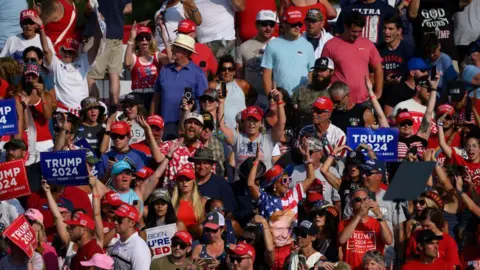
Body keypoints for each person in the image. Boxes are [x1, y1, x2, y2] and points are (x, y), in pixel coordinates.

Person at [35, 12, 102, 111]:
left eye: (70, 52)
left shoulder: (83, 62)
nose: (67, 54)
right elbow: (46, 50)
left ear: (76, 53)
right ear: (61, 51)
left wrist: (99, 27)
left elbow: (95, 47)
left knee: (102, 107)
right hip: (64, 111)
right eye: (65, 51)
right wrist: (41, 28)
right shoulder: (56, 64)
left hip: (84, 110)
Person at [218, 88, 286, 182]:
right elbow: (220, 130)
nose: (252, 123)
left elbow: (281, 124)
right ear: (243, 122)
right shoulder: (237, 139)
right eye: (248, 120)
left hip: (262, 186)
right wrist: (221, 102)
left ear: (261, 122)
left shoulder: (268, 139)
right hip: (241, 187)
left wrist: (280, 103)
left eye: (255, 120)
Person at [152, 34, 208, 140]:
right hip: (164, 125)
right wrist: (152, 120)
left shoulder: (198, 74)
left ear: (186, 52)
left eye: (176, 48)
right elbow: (156, 98)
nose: (172, 50)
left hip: (188, 127)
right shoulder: (164, 70)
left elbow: (204, 102)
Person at [322, 11, 384, 104]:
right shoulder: (330, 45)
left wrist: (378, 93)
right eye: (354, 31)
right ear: (346, 26)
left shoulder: (367, 44)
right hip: (339, 102)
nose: (357, 35)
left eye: (360, 31)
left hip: (363, 100)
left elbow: (378, 67)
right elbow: (323, 72)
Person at [248, 139, 315, 219]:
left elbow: (311, 178)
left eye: (289, 180)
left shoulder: (293, 195)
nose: (288, 183)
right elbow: (251, 184)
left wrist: (307, 158)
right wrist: (256, 161)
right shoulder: (265, 199)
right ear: (274, 185)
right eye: (284, 180)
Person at [261, 6, 315, 95]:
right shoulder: (272, 45)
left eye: (300, 24)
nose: (297, 27)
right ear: (284, 24)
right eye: (293, 24)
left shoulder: (308, 45)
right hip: (280, 97)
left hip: (302, 97)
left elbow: (311, 73)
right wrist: (269, 97)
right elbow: (266, 74)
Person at [87, 0, 132, 107]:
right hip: (118, 34)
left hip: (101, 34)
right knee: (114, 74)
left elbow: (89, 7)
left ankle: (94, 109)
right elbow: (129, 9)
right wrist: (115, 11)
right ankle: (114, 108)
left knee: (91, 75)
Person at [338, 188, 393, 269]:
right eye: (358, 199)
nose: (363, 202)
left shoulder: (377, 222)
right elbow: (341, 240)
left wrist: (379, 214)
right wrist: (359, 215)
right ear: (350, 204)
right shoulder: (344, 223)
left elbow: (389, 241)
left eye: (365, 199)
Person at [236, 10, 278, 98]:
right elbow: (239, 77)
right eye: (264, 24)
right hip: (251, 98)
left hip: (273, 96)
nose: (268, 28)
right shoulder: (243, 47)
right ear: (257, 25)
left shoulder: (280, 45)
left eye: (271, 24)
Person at [407, 0, 465, 65]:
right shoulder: (418, 4)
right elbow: (412, 14)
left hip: (450, 57)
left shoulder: (447, 3)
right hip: (427, 59)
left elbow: (467, 2)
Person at [125, 23, 165, 112]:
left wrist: (164, 38)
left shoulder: (157, 56)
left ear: (151, 40)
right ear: (137, 41)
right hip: (138, 94)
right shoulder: (134, 57)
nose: (144, 40)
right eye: (140, 38)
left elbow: (171, 60)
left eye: (147, 37)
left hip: (154, 94)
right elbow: (127, 63)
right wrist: (131, 39)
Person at [16, 61, 53, 153]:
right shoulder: (18, 97)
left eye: (34, 75)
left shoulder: (46, 95)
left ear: (38, 77)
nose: (31, 78)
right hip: (26, 141)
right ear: (24, 76)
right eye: (28, 75)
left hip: (44, 141)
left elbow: (48, 116)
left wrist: (42, 95)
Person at [210, 55, 255, 129]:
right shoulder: (213, 85)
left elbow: (253, 96)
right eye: (223, 69)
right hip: (219, 128)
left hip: (240, 129)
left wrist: (246, 108)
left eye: (230, 69)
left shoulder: (242, 84)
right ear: (220, 71)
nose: (227, 72)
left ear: (234, 71)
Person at [189, 148, 237, 213]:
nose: (202, 167)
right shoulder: (187, 182)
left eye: (205, 163)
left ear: (212, 165)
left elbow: (230, 210)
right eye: (198, 163)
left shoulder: (221, 183)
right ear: (194, 164)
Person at [291, 57, 334, 128]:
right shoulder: (301, 90)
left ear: (331, 72)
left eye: (323, 70)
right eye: (317, 70)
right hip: (302, 133)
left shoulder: (334, 93)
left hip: (325, 134)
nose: (319, 73)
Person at [377, 15, 414, 93]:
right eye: (384, 28)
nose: (386, 32)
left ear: (399, 31)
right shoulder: (377, 51)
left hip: (404, 93)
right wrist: (386, 82)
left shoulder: (409, 49)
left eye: (390, 29)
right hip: (384, 93)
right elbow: (372, 78)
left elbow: (414, 76)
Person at [109, 203, 152, 269]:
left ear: (132, 223)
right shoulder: (118, 243)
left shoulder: (140, 249)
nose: (115, 222)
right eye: (115, 218)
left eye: (119, 220)